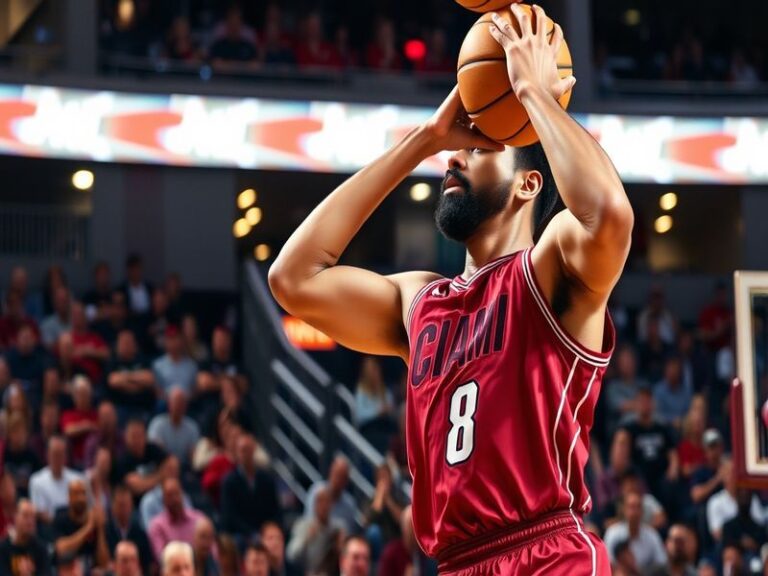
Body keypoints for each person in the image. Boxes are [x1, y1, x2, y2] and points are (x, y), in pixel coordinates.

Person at [269, 4, 633, 573]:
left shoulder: (552, 268)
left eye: (481, 149)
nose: (455, 157)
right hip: (455, 561)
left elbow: (608, 212)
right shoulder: (420, 304)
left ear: (528, 184)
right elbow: (293, 278)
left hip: (545, 553)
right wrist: (423, 140)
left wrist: (533, 93)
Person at [220, 434, 281, 540]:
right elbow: (230, 515)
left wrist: (269, 528)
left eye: (248, 450)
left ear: (253, 451)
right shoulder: (229, 481)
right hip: (240, 534)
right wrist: (251, 533)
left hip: (263, 531)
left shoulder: (266, 479)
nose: (246, 454)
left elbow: (275, 509)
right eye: (242, 450)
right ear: (237, 453)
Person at [52, 479, 110, 571]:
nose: (80, 498)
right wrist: (88, 528)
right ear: (69, 497)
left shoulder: (94, 520)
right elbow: (62, 550)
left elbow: (104, 564)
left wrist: (100, 529)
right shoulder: (60, 518)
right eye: (76, 494)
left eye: (83, 493)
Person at [603, 492, 667, 574]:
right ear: (624, 510)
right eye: (632, 507)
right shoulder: (612, 533)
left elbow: (662, 563)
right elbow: (607, 563)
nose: (635, 512)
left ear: (642, 511)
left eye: (638, 507)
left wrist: (641, 571)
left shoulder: (652, 535)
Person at [147, 477, 207, 561]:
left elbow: (212, 551)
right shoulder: (157, 526)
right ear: (163, 499)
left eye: (176, 494)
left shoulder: (198, 519)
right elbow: (162, 558)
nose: (174, 499)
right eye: (170, 495)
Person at [287, 486, 345, 572]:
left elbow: (347, 555)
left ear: (332, 504)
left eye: (327, 501)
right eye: (320, 501)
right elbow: (291, 555)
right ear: (314, 505)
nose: (324, 506)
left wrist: (342, 545)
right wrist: (306, 538)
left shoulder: (338, 527)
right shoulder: (303, 525)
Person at [29, 436, 84, 524]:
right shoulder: (36, 481)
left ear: (66, 456)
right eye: (54, 454)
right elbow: (42, 515)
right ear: (47, 455)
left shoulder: (78, 479)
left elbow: (82, 511)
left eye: (60, 454)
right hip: (50, 529)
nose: (57, 459)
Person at [106, 484, 153, 574]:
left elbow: (147, 565)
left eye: (126, 505)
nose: (124, 509)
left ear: (131, 506)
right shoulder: (106, 531)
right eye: (120, 505)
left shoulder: (140, 533)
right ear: (113, 506)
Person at [148, 387, 200, 467]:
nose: (178, 407)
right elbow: (156, 450)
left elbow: (194, 455)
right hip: (162, 466)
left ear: (186, 406)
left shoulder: (192, 427)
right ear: (169, 404)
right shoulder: (157, 424)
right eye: (176, 402)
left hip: (185, 468)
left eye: (181, 403)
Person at [304, 456, 357, 533]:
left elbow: (347, 532)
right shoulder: (316, 491)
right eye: (336, 474)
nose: (338, 480)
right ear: (330, 472)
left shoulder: (350, 505)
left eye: (342, 476)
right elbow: (309, 522)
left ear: (346, 480)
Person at [0, 499, 52, 576]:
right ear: (15, 517)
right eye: (25, 516)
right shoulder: (3, 549)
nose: (30, 521)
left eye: (33, 517)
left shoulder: (41, 549)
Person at [152, 325, 198, 399]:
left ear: (181, 340)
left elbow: (194, 392)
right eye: (170, 339)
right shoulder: (158, 365)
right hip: (166, 403)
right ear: (165, 341)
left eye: (176, 338)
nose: (173, 342)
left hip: (187, 402)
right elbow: (158, 393)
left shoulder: (191, 365)